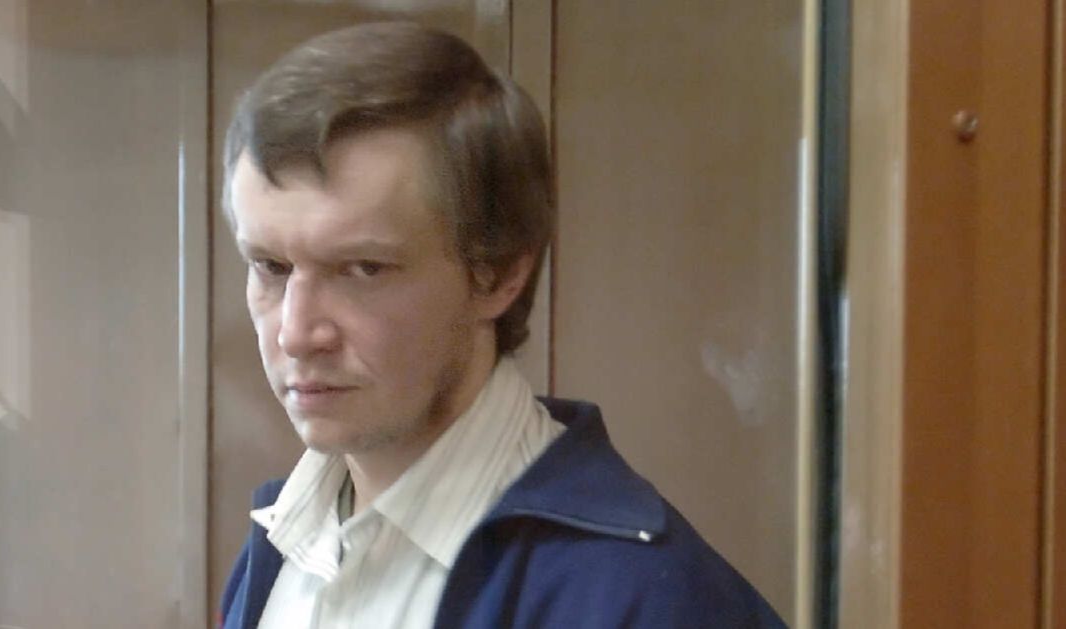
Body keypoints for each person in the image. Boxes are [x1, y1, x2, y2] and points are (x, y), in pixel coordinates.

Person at [218, 21, 785, 629]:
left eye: (364, 269)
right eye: (271, 266)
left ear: (498, 275)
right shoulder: (278, 547)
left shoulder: (648, 599)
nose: (296, 334)